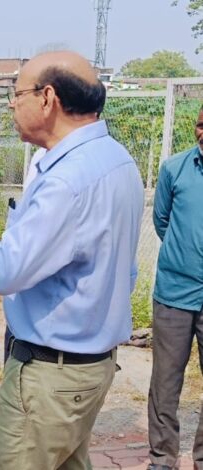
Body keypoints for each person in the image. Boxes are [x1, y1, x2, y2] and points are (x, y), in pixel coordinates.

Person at [0, 51, 144, 469]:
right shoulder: (117, 161)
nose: (13, 105)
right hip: (90, 368)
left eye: (17, 94)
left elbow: (3, 270)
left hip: (51, 375)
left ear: (47, 98)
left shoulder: (68, 181)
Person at [146, 106, 203, 470]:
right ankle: (163, 458)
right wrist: (186, 258)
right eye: (201, 124)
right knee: (165, 382)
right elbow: (161, 220)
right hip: (174, 295)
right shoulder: (174, 168)